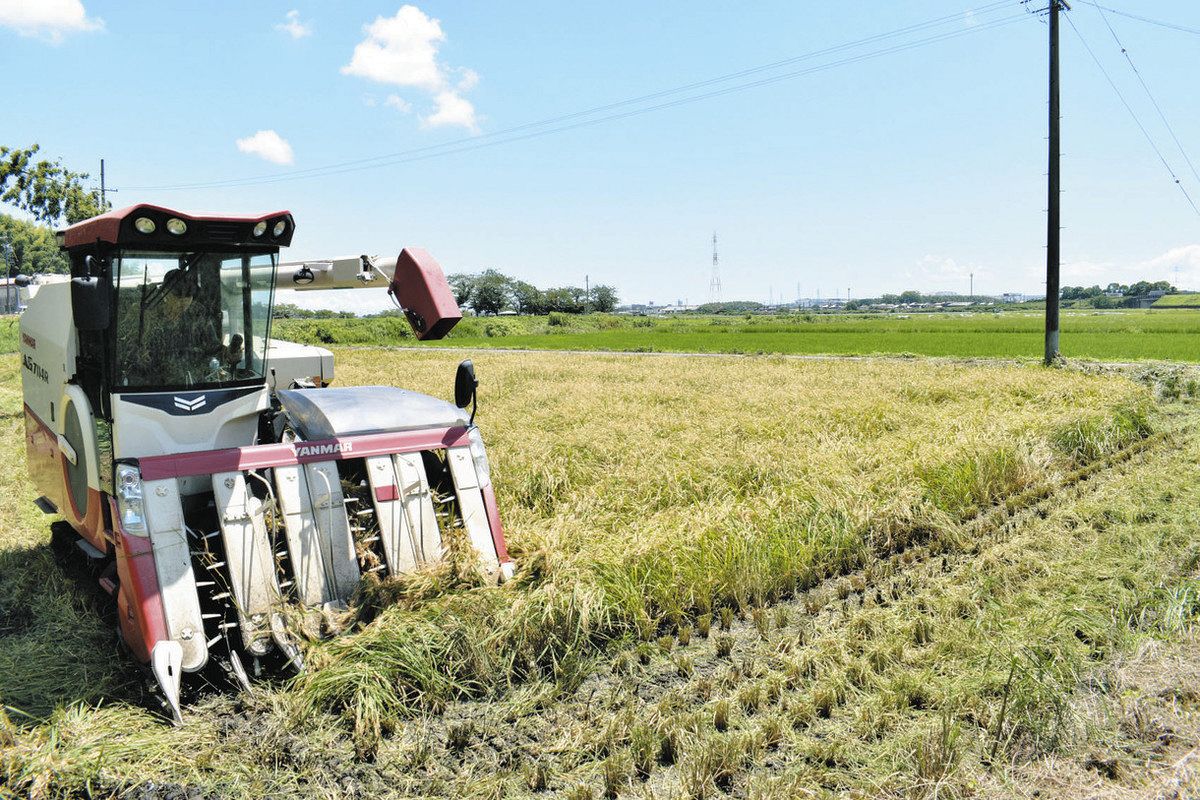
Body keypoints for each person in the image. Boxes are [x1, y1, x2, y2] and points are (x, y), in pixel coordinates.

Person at [116, 267, 244, 387]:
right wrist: (139, 354)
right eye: (177, 297)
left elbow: (213, 348)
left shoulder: (197, 314)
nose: (183, 304)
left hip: (192, 386)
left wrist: (229, 354)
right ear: (165, 293)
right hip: (150, 387)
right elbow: (122, 349)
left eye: (188, 298)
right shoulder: (143, 314)